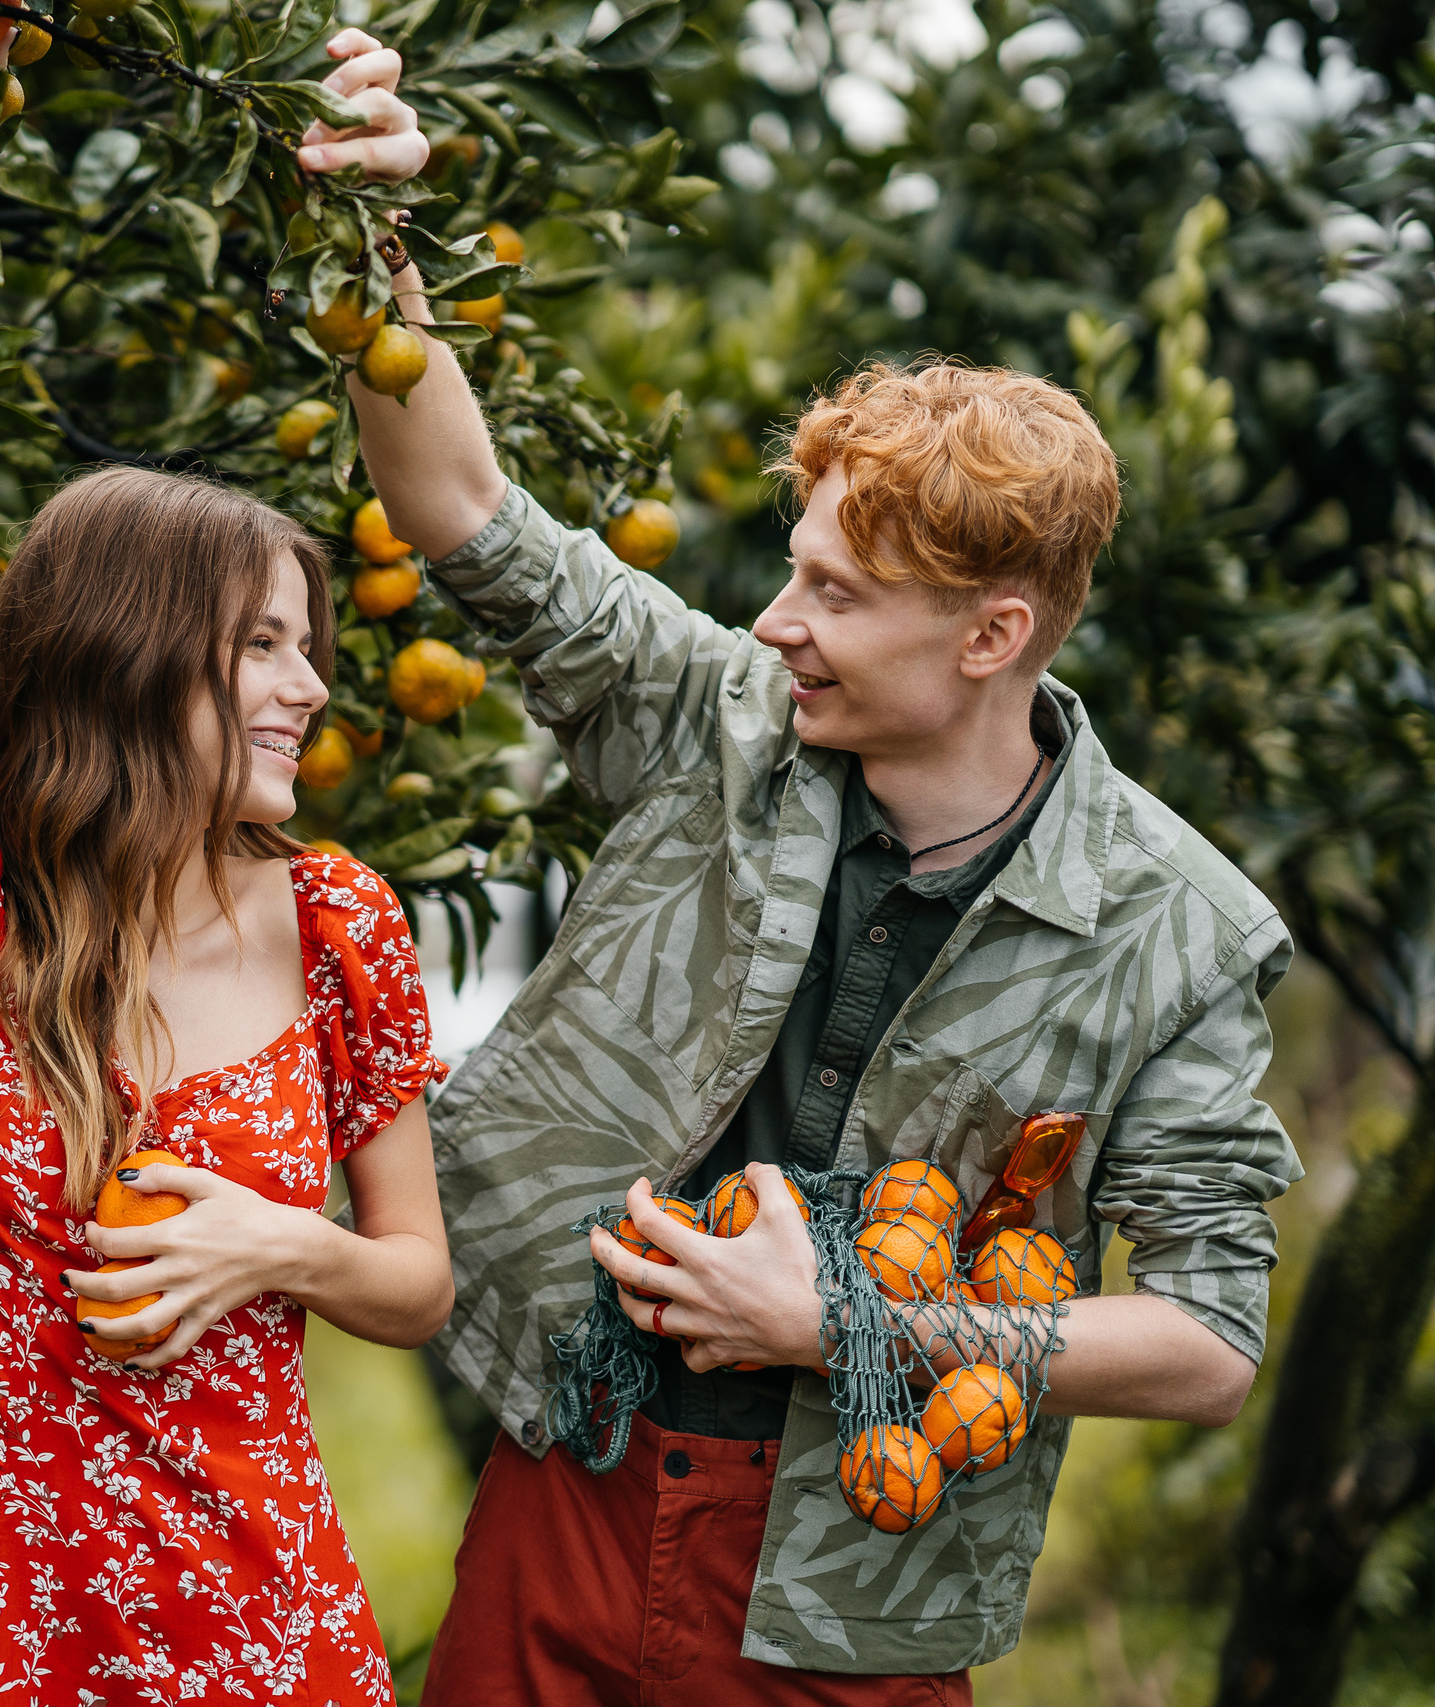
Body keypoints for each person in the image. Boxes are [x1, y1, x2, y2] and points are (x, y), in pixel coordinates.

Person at [301, 32, 1303, 1703]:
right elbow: (466, 507)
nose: (779, 622)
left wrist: (849, 1325)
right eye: (793, 570)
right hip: (575, 1474)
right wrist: (367, 226)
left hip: (858, 1582)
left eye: (837, 594)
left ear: (991, 635)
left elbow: (1208, 1345)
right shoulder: (727, 720)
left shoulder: (1178, 932)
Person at [0, 198, 452, 1707]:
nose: (311, 688)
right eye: (263, 647)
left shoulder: (339, 922)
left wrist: (282, 1248)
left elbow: (419, 1284)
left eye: (310, 648)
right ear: (131, 653)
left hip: (259, 1626)